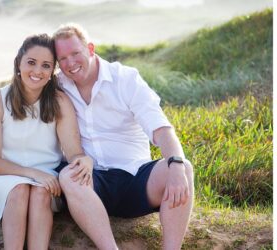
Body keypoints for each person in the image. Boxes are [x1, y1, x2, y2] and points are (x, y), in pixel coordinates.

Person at [53, 24, 194, 250]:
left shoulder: (126, 79)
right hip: (92, 185)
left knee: (182, 167)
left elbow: (160, 129)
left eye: (75, 53)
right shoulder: (59, 85)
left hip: (135, 179)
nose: (70, 63)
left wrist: (176, 164)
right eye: (63, 58)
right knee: (70, 175)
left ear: (90, 48)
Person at [0, 34, 93, 250]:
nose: (37, 71)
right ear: (18, 63)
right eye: (31, 62)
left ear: (51, 72)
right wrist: (34, 174)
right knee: (20, 189)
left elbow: (74, 151)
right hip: (1, 176)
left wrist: (83, 160)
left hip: (46, 179)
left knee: (40, 193)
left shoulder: (59, 101)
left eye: (46, 65)